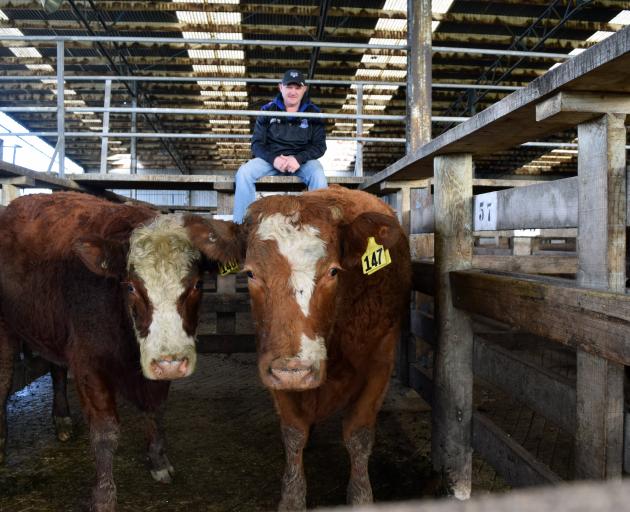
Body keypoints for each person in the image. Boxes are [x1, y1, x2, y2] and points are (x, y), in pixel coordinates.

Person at [232, 69, 328, 223]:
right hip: (271, 160)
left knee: (318, 175)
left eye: (297, 88)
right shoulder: (267, 110)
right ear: (280, 87)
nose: (293, 92)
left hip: (301, 161)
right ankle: (242, 226)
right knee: (244, 173)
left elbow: (319, 146)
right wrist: (273, 158)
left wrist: (298, 158)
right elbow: (256, 144)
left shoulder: (313, 113)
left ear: (304, 89)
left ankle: (318, 225)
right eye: (289, 87)